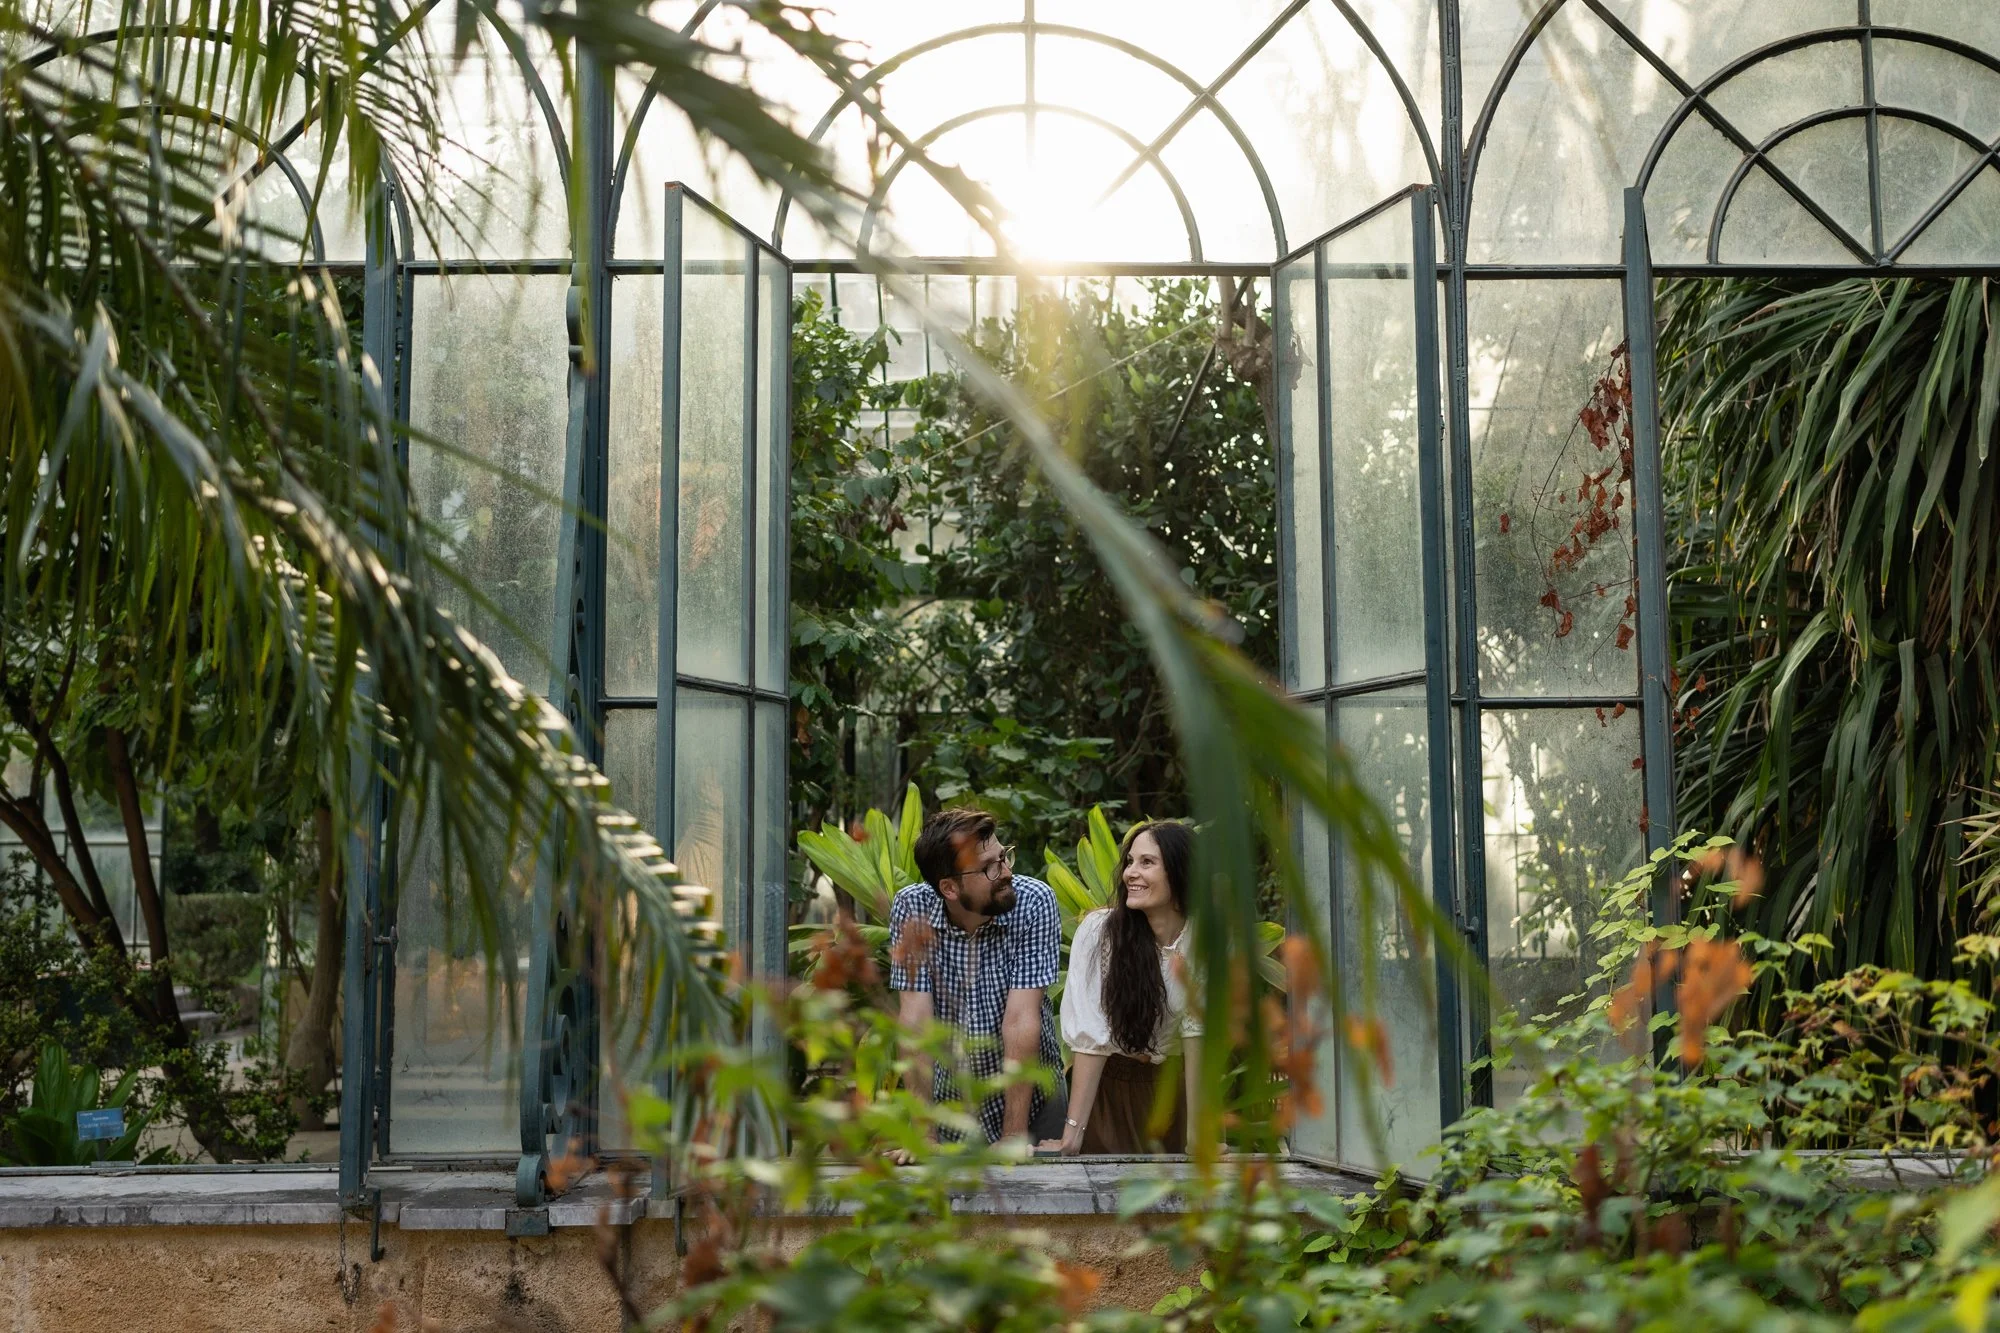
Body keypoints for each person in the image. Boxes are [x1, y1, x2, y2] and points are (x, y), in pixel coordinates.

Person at [887, 808, 1069, 1145]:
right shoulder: (912, 909)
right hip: (951, 1104)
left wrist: (1014, 1136)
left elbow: (1020, 1020)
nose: (1007, 872)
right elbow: (916, 1022)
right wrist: (924, 1135)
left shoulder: (1034, 902)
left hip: (1034, 1103)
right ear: (949, 888)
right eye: (989, 868)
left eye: (1004, 857)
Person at [1044, 821, 1201, 1155]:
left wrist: (1199, 1134)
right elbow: (1091, 1038)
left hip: (1174, 1095)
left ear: (1179, 870)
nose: (1131, 872)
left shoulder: (1205, 939)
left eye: (1147, 862)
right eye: (1130, 861)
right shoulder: (1100, 932)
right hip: (1109, 1092)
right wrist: (1072, 1136)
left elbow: (1198, 1032)